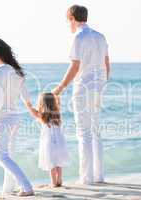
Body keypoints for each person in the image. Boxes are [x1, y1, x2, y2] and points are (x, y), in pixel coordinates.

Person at [52, 5, 111, 185]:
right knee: (96, 131)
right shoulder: (101, 37)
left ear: (72, 18)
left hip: (83, 88)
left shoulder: (78, 37)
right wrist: (102, 84)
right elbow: (107, 64)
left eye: (67, 20)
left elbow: (75, 67)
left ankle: (86, 178)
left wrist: (59, 89)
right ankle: (98, 176)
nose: (68, 24)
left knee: (84, 133)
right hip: (98, 87)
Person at [0, 38, 34, 196]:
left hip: (2, 118)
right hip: (15, 117)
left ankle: (26, 186)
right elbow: (26, 97)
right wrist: (33, 110)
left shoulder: (0, 70)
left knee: (1, 156)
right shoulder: (17, 71)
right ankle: (8, 189)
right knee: (9, 155)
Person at [27, 93, 69, 187]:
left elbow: (32, 111)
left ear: (42, 103)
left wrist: (28, 104)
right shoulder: (57, 114)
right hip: (60, 142)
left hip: (49, 142)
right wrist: (57, 95)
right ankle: (59, 180)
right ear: (54, 103)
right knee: (58, 162)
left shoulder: (42, 115)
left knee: (51, 163)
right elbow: (59, 103)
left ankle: (53, 183)